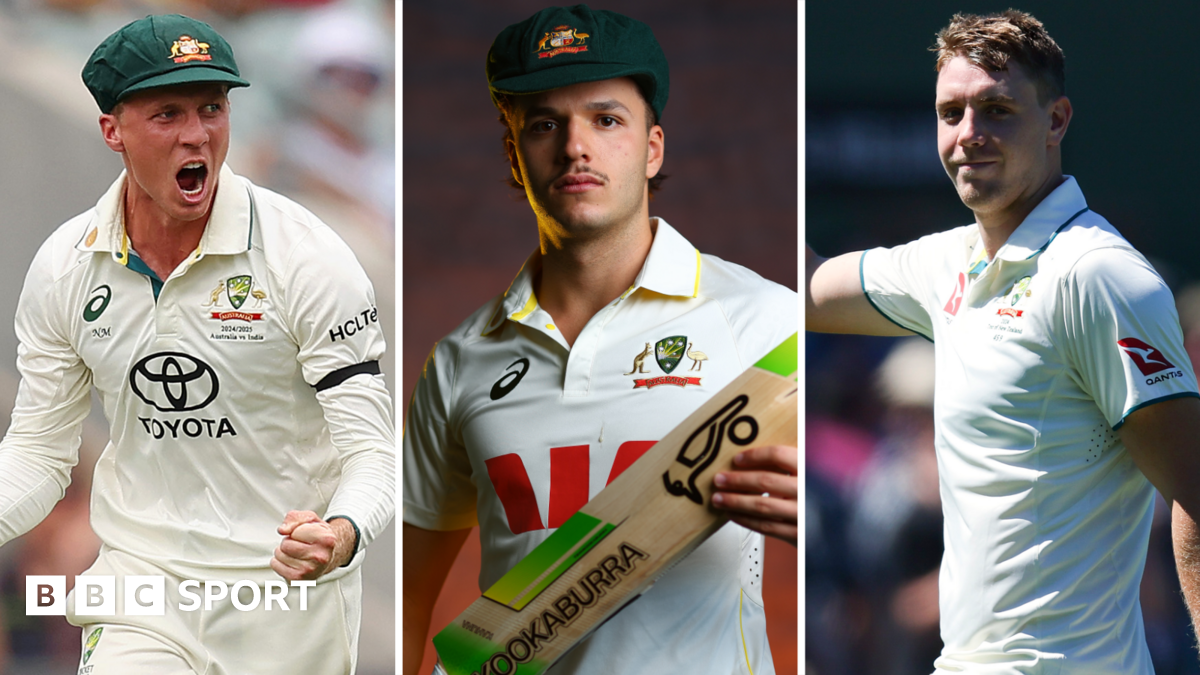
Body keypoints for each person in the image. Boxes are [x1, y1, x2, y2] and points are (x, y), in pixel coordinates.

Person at [402, 5, 797, 675]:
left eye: (606, 119)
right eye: (545, 125)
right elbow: (407, 599)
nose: (575, 147)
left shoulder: (765, 323)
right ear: (514, 153)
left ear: (652, 148)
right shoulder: (460, 361)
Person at [806, 10, 1200, 673]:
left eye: (996, 109)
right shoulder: (945, 262)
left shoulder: (1099, 275)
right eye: (951, 111)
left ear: (1056, 121)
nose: (969, 135)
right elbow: (809, 288)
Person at [0, 14, 394, 674]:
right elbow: (40, 452)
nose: (198, 134)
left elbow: (373, 452)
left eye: (212, 108)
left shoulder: (312, 257)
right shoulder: (65, 265)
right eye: (168, 113)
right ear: (112, 131)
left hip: (287, 605)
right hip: (144, 596)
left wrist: (342, 532)